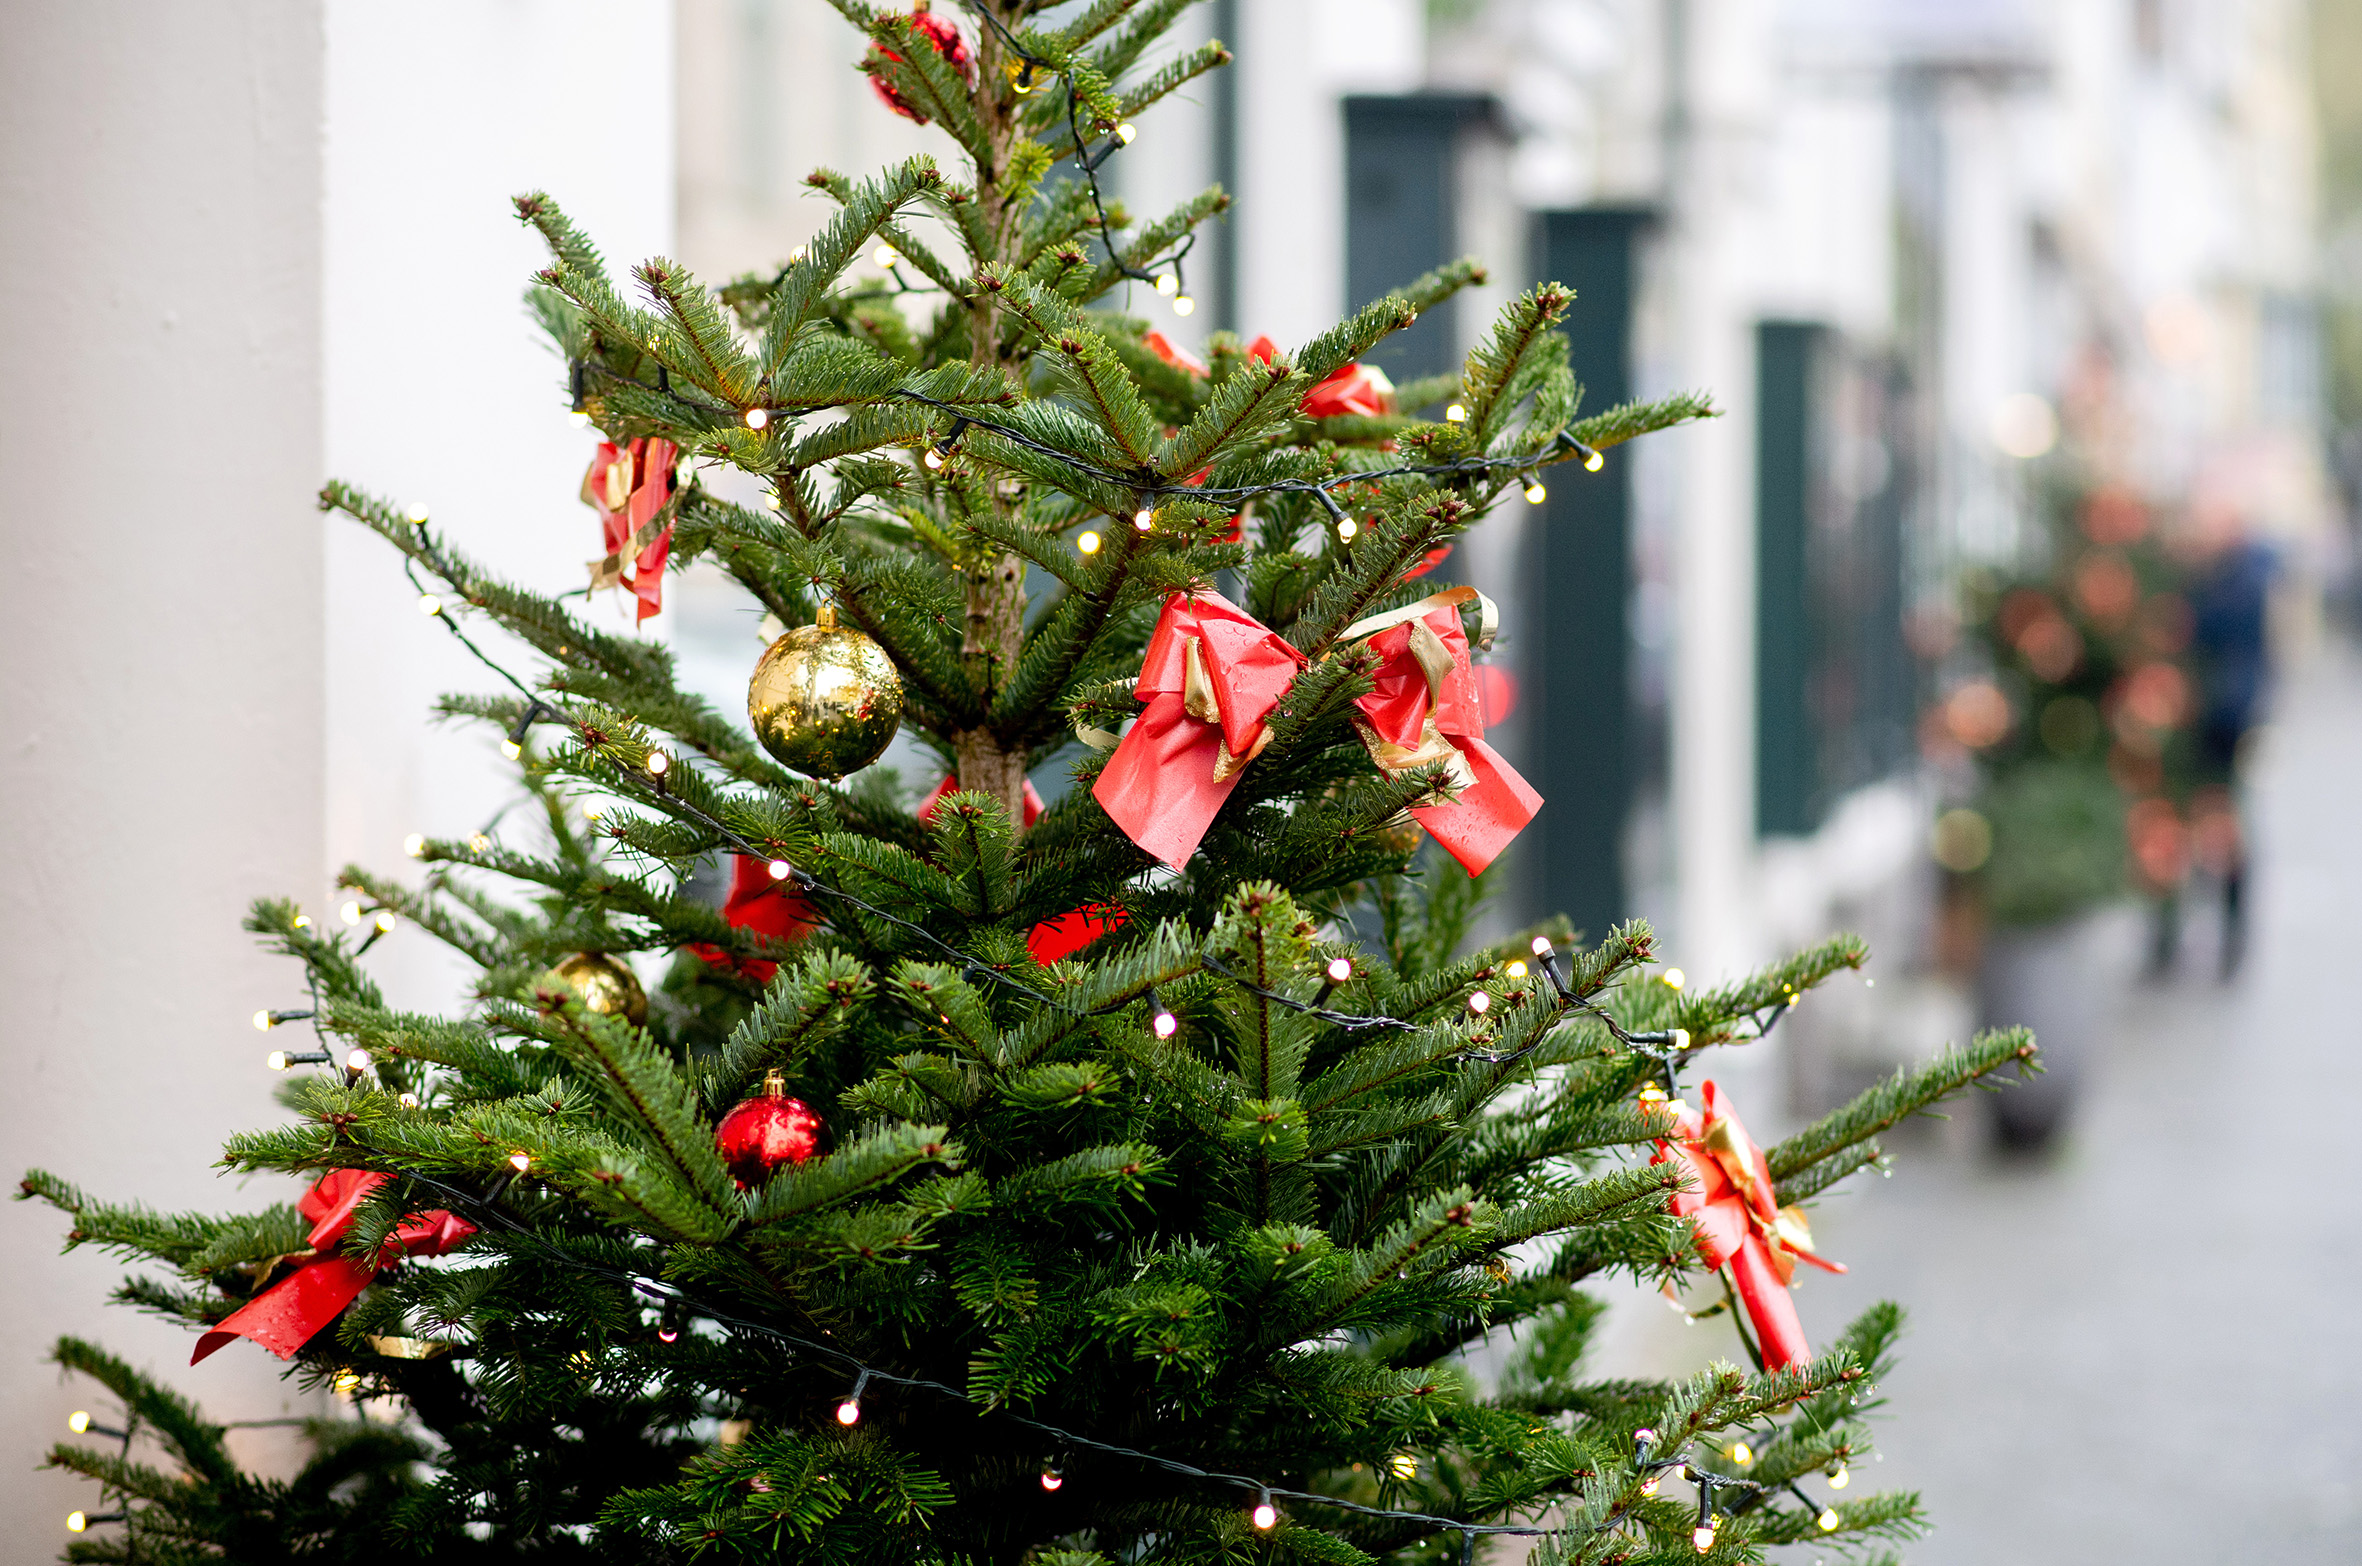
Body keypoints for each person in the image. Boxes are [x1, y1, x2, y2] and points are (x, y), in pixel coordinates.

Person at [2182, 502, 2276, 978]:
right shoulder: (2194, 577)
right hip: (2190, 718)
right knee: (2182, 826)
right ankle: (2179, 936)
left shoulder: (2241, 583)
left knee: (2227, 826)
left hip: (2225, 721)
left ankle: (2232, 934)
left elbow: (2249, 658)